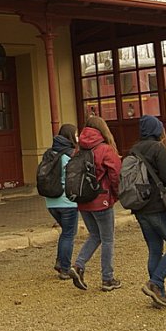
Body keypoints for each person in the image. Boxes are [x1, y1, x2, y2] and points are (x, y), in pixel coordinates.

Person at [130, 115, 166, 308]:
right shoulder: (158, 148)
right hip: (158, 207)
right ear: (157, 129)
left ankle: (159, 294)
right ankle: (155, 283)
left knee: (154, 249)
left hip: (140, 208)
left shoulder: (134, 150)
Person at [69, 115, 122, 292]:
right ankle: (108, 278)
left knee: (95, 235)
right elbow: (115, 175)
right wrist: (117, 195)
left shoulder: (78, 149)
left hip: (83, 201)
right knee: (107, 239)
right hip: (102, 200)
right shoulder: (105, 149)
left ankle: (78, 265)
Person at [43, 124, 79, 280]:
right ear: (70, 136)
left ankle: (60, 261)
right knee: (69, 234)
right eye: (76, 134)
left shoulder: (49, 153)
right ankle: (65, 268)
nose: (78, 137)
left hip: (51, 202)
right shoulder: (69, 155)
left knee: (65, 233)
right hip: (67, 202)